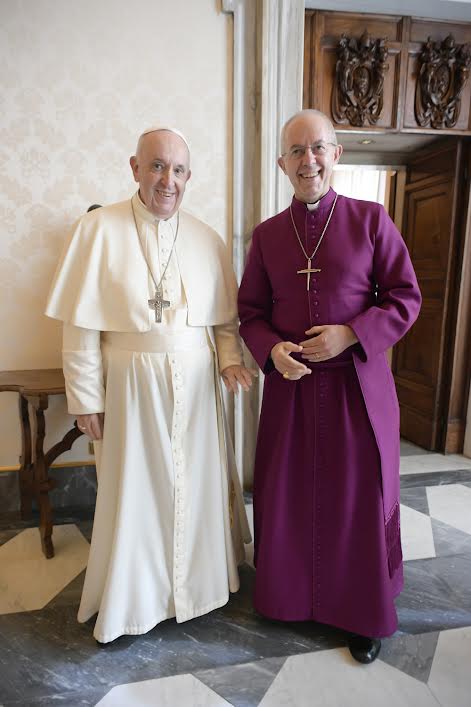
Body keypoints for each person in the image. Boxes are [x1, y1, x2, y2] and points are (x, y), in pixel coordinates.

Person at [46, 126, 255, 644]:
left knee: (196, 486)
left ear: (189, 176)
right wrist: (86, 398)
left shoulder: (206, 238)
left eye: (178, 170)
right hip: (130, 389)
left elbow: (222, 321)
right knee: (135, 492)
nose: (168, 180)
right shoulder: (97, 230)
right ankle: (137, 600)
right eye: (157, 166)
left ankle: (199, 589)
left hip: (198, 389)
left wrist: (230, 360)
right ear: (135, 168)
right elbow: (80, 328)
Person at [237, 109, 421, 664]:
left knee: (357, 502)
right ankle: (289, 599)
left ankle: (362, 613)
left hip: (356, 391)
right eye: (296, 151)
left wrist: (352, 333)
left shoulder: (371, 220)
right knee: (289, 495)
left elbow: (405, 298)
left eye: (318, 147)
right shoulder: (268, 236)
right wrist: (272, 351)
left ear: (336, 154)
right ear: (282, 164)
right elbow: (251, 313)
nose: (308, 160)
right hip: (292, 391)